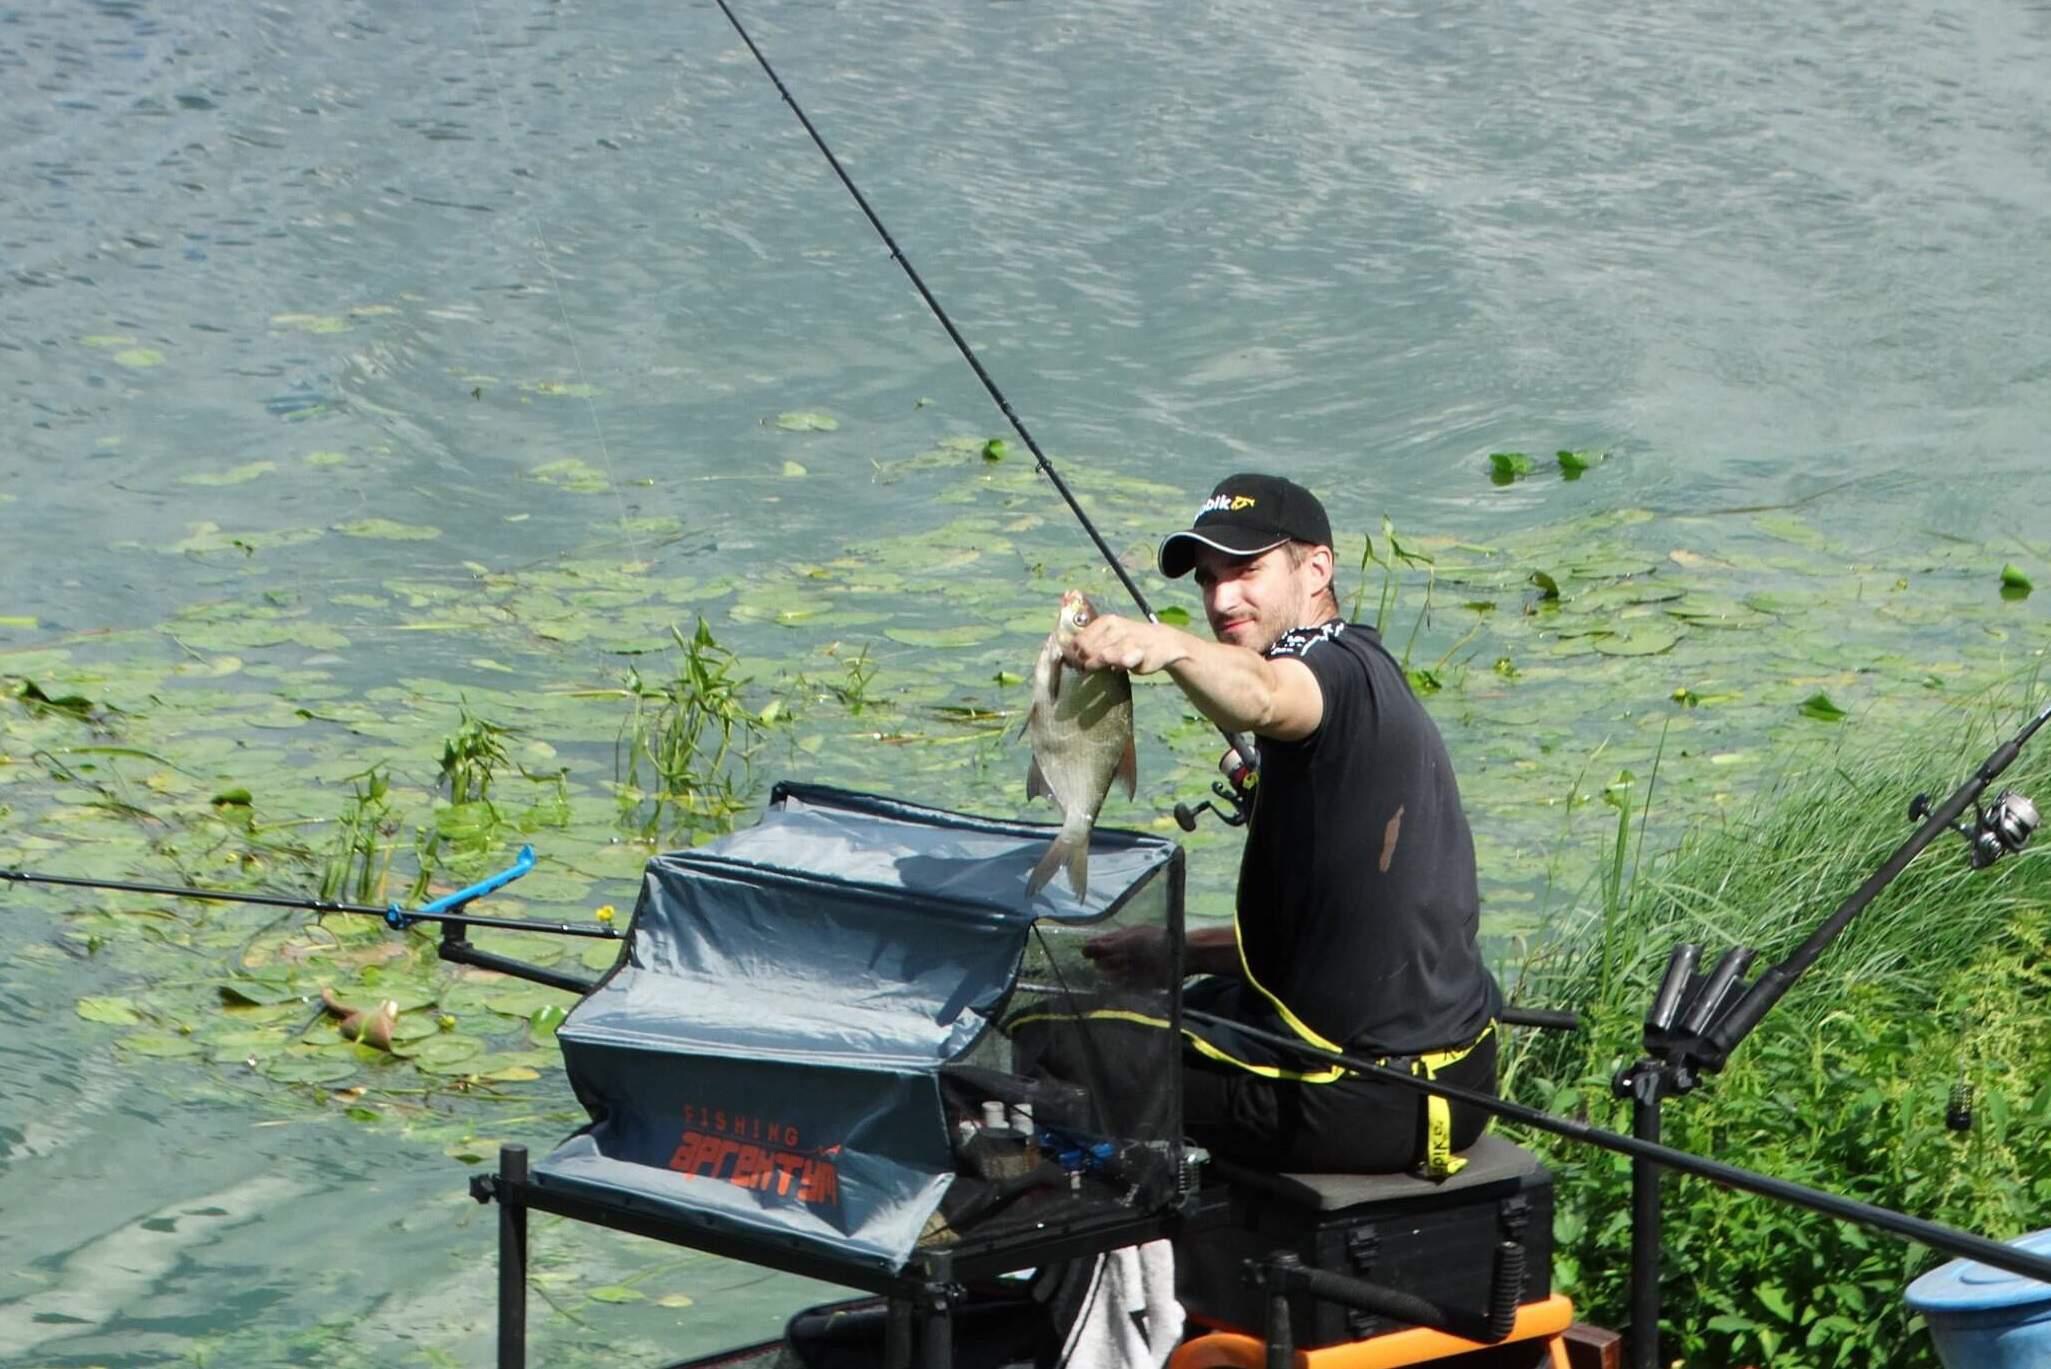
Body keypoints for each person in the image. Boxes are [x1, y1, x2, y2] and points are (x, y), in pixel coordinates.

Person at [1064, 473, 1500, 1177]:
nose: (1221, 598)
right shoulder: (1367, 667)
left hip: (1358, 1096)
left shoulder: (1325, 672)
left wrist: (1166, 645)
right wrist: (1177, 949)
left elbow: (1265, 696)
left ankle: (1087, 1275)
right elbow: (1333, 943)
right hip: (1456, 1075)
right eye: (1208, 578)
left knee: (1049, 1038)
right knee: (1189, 998)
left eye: (1246, 569)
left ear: (1316, 567)